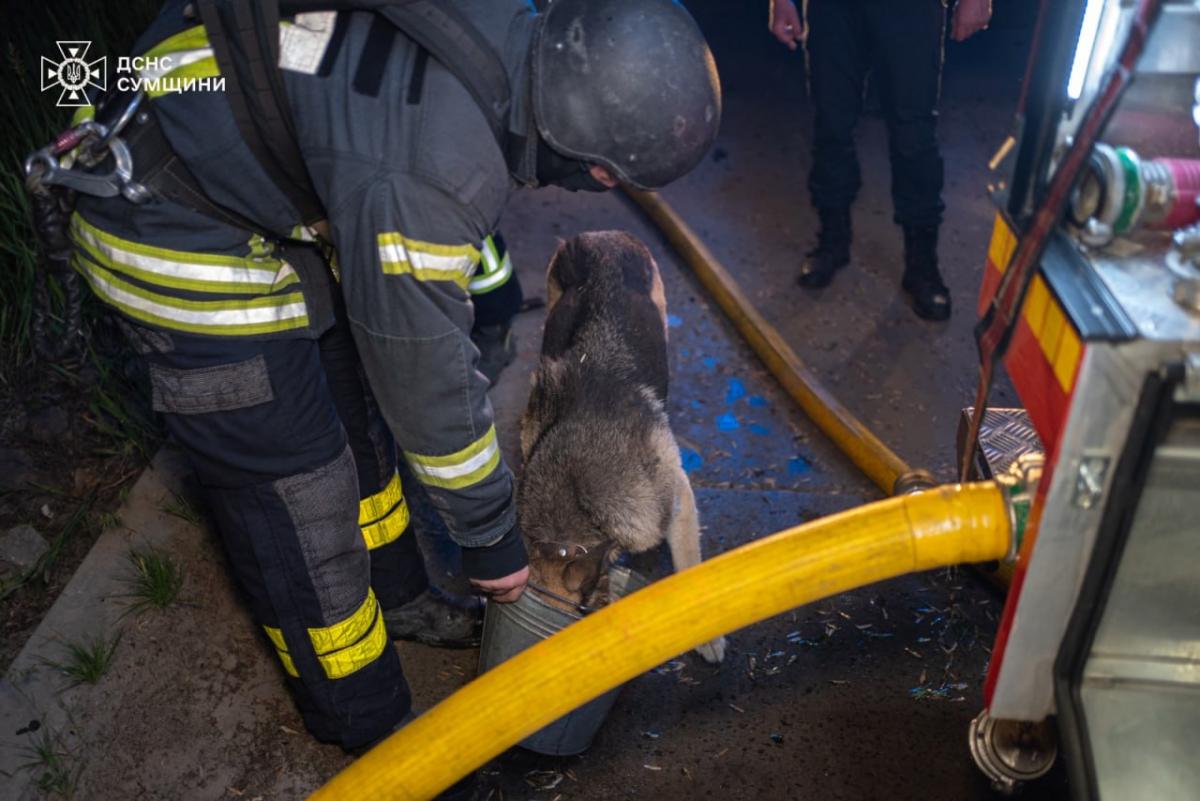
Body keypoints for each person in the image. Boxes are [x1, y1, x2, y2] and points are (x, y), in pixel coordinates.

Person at [63, 0, 720, 753]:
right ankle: (371, 726)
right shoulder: (441, 168)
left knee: (352, 406)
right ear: (597, 162)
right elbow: (426, 379)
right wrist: (492, 540)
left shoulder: (515, 40)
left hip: (257, 180)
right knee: (296, 496)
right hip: (171, 229)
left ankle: (402, 595)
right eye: (608, 174)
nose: (596, 183)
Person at [769, 0, 993, 320]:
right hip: (834, 9)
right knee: (831, 123)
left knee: (913, 136)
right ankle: (832, 241)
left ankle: (921, 266)